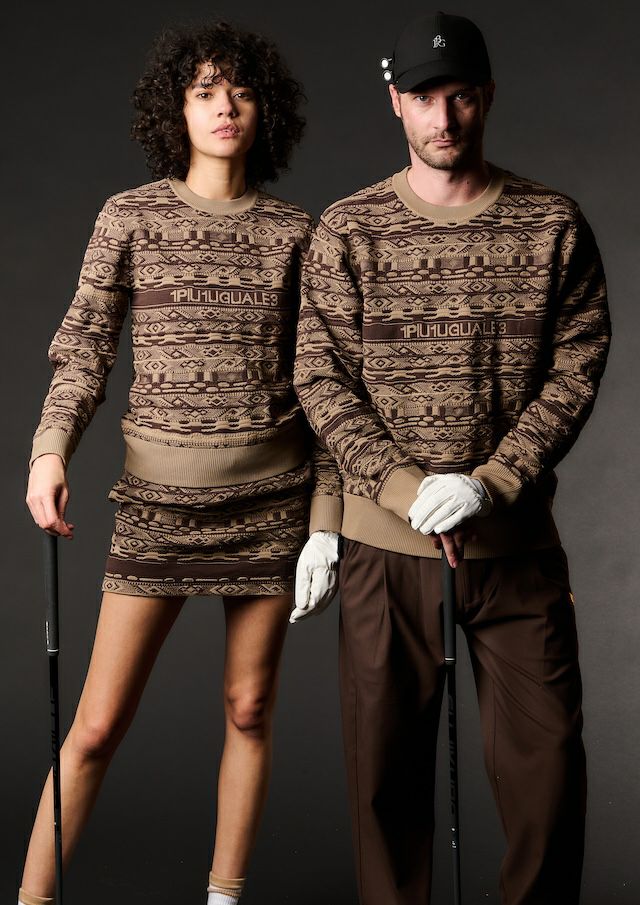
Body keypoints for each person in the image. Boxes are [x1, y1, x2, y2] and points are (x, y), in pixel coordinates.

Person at [293, 10, 610, 905]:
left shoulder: (552, 223)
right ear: (395, 101)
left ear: (488, 97)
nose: (444, 118)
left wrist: (491, 482)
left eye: (461, 96)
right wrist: (397, 488)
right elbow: (320, 377)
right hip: (384, 555)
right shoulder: (348, 228)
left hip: (515, 552)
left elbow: (578, 366)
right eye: (425, 98)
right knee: (384, 789)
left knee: (549, 778)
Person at [22, 21, 341, 905]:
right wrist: (50, 450)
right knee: (95, 727)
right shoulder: (129, 216)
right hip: (156, 507)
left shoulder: (297, 233)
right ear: (177, 109)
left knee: (249, 708)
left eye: (240, 90)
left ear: (265, 110)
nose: (224, 106)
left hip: (270, 506)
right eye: (205, 91)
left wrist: (324, 527)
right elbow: (84, 348)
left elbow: (326, 388)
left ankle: (223, 896)